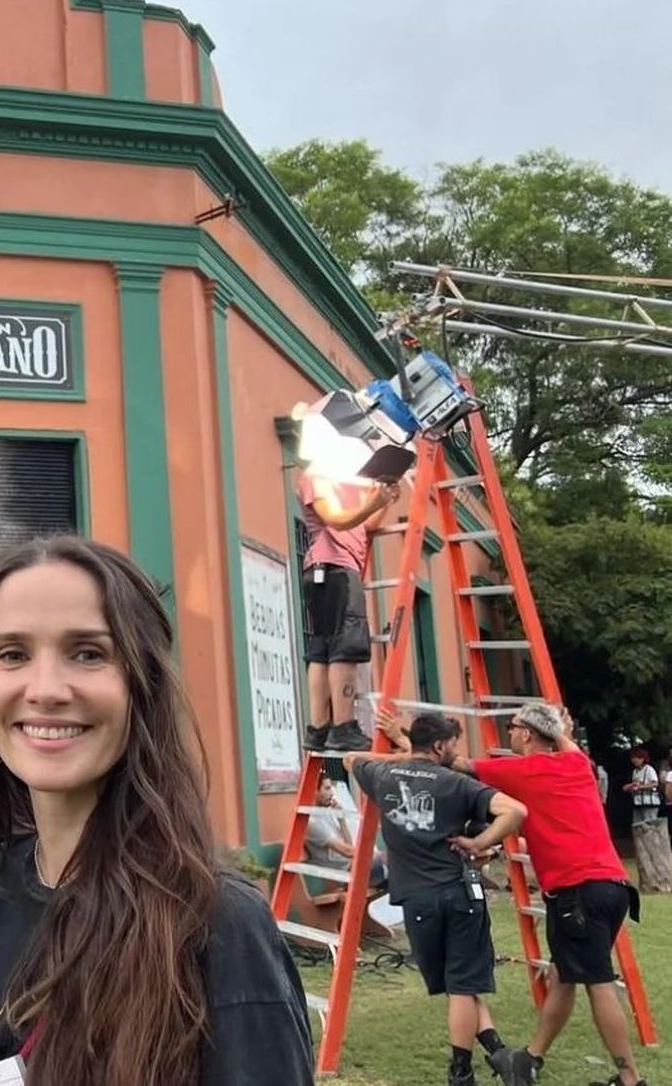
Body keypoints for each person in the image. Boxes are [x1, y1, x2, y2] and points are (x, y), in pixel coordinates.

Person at [0, 536, 313, 1086]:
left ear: (141, 684)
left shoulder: (214, 924)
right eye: (12, 654)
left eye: (88, 653)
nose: (47, 689)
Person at [455, 703, 647, 1086]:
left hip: (578, 894)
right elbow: (567, 744)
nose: (508, 733)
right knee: (563, 974)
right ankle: (529, 1060)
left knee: (598, 981)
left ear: (527, 734)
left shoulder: (522, 770)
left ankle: (630, 1079)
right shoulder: (578, 765)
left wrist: (402, 743)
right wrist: (560, 728)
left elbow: (459, 765)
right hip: (614, 888)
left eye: (511, 727)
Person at [345, 713, 531, 1086]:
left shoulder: (381, 777)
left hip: (416, 901)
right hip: (459, 893)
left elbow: (351, 760)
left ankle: (497, 1052)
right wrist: (480, 843)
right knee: (463, 985)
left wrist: (400, 752)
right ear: (440, 746)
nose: (456, 753)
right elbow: (515, 811)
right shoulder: (457, 784)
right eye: (453, 746)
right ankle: (460, 1072)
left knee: (458, 982)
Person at [295, 464, 400, 753]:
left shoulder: (346, 480)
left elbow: (365, 525)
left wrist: (384, 501)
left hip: (331, 569)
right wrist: (373, 501)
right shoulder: (317, 476)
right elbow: (337, 520)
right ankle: (342, 726)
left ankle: (318, 729)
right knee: (345, 646)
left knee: (324, 647)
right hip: (335, 567)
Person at [305, 773, 387, 889]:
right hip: (344, 874)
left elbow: (349, 845)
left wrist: (341, 819)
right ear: (314, 791)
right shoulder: (312, 822)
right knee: (394, 865)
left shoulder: (327, 813)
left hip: (354, 866)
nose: (332, 793)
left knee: (397, 869)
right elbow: (347, 851)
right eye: (327, 788)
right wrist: (379, 856)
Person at [626, 746, 672, 893]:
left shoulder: (649, 770)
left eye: (637, 757)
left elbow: (655, 783)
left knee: (649, 828)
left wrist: (640, 787)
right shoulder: (635, 772)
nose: (634, 760)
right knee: (638, 827)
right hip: (638, 803)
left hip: (650, 803)